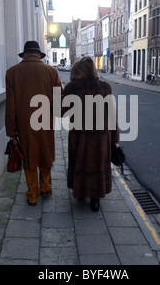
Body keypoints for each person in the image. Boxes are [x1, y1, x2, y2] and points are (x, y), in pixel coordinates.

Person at [5, 41, 63, 206]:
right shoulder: (52, 72)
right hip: (45, 120)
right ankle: (46, 187)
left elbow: (10, 106)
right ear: (39, 55)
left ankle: (33, 195)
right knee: (45, 153)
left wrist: (11, 131)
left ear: (23, 56)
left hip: (24, 124)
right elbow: (59, 103)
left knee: (29, 157)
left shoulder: (12, 73)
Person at [64, 57, 120, 212]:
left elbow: (60, 112)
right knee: (98, 165)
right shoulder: (105, 87)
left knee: (79, 162)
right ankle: (95, 199)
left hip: (79, 136)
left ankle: (81, 193)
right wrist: (115, 138)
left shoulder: (71, 88)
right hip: (101, 138)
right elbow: (111, 115)